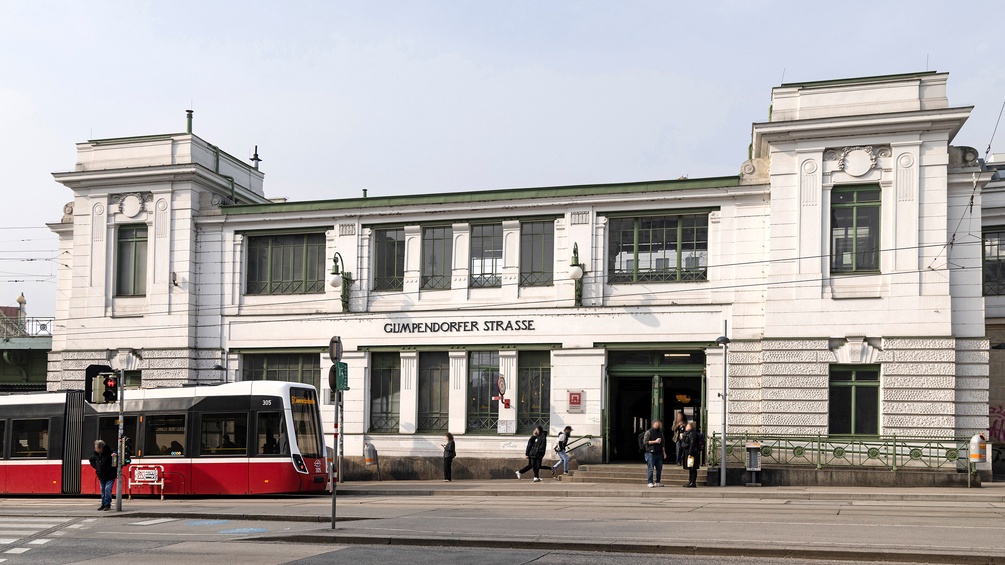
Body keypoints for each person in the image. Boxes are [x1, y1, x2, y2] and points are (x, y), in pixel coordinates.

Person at [88, 440, 116, 511]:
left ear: (101, 448)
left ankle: (107, 504)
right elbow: (91, 460)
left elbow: (115, 460)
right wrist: (97, 467)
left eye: (96, 447)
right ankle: (103, 504)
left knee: (107, 489)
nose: (95, 449)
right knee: (103, 490)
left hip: (110, 475)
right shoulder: (96, 455)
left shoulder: (110, 453)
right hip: (101, 475)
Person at [642, 420, 666, 488]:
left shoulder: (660, 433)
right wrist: (655, 441)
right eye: (656, 424)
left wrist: (664, 452)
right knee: (650, 468)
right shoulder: (649, 432)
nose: (658, 425)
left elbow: (663, 444)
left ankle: (657, 481)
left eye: (659, 424)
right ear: (653, 424)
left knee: (659, 468)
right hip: (651, 453)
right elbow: (645, 442)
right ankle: (650, 482)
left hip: (659, 453)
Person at [681, 421, 701, 488]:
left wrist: (690, 453)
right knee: (690, 468)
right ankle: (690, 481)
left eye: (687, 426)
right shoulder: (688, 433)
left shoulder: (692, 433)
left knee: (693, 468)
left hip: (692, 453)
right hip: (688, 452)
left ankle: (693, 482)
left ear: (690, 427)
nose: (686, 427)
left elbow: (692, 444)